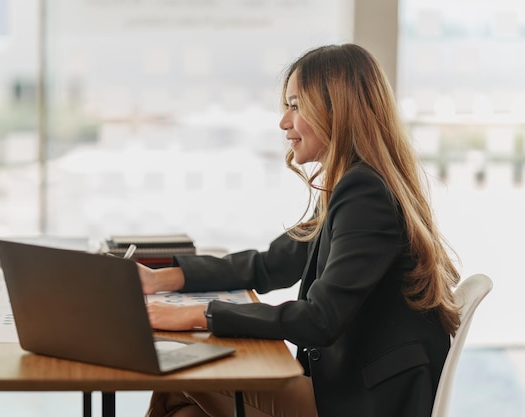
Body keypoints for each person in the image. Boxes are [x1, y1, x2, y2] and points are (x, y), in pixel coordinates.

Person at [136, 43, 461, 417]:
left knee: (180, 384)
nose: (284, 123)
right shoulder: (355, 185)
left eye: (295, 105)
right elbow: (271, 265)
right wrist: (160, 279)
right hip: (349, 386)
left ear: (335, 111)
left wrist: (199, 315)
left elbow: (319, 319)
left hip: (363, 402)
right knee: (184, 408)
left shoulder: (365, 195)